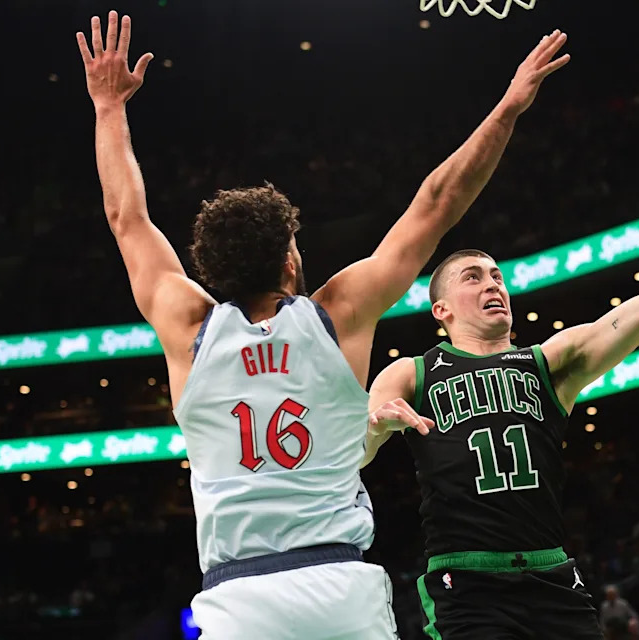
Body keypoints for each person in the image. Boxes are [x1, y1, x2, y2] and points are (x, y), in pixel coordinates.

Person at [75, 11, 570, 639]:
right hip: (339, 586)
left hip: (239, 598)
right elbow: (438, 202)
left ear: (216, 269)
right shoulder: (336, 317)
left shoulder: (187, 328)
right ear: (290, 260)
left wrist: (108, 107)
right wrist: (508, 109)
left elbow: (126, 217)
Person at [364, 141, 639, 636]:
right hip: (465, 579)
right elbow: (356, 454)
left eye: (497, 276)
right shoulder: (413, 373)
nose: (493, 285)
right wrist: (377, 427)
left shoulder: (549, 363)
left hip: (550, 573)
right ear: (442, 310)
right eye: (474, 278)